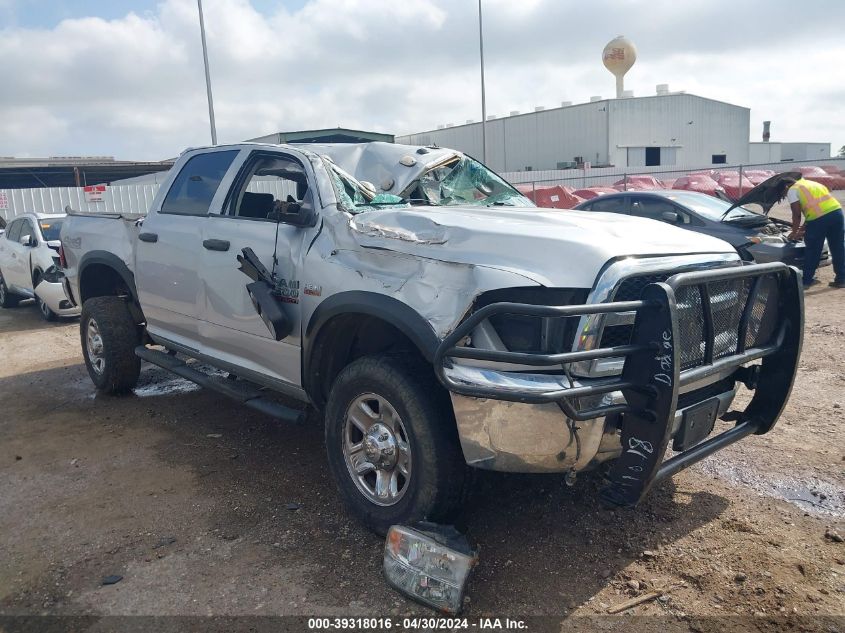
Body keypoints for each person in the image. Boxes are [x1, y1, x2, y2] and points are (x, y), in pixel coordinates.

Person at [781, 175, 845, 289]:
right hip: (837, 213)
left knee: (813, 249)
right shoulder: (812, 184)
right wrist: (803, 228)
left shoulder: (792, 189)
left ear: (786, 186)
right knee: (838, 247)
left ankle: (806, 281)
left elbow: (796, 215)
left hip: (819, 219)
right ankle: (842, 279)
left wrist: (794, 232)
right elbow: (816, 208)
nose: (785, 195)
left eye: (783, 192)